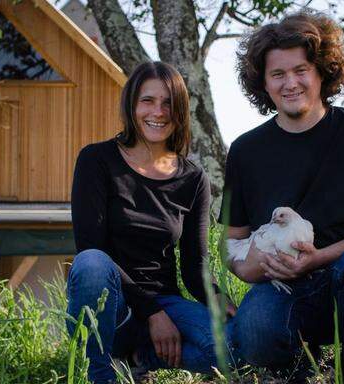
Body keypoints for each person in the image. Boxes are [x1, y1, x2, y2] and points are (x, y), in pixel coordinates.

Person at [221, 12, 344, 383]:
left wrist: (317, 259)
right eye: (278, 74)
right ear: (263, 83)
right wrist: (247, 267)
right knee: (254, 334)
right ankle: (299, 367)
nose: (290, 83)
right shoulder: (245, 151)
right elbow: (231, 242)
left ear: (323, 71)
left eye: (301, 70)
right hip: (284, 284)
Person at [68, 61, 234, 384]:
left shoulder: (194, 179)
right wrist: (151, 314)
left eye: (168, 103)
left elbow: (194, 265)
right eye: (148, 100)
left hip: (165, 300)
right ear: (132, 104)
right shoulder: (96, 160)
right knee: (90, 263)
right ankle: (101, 374)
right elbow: (91, 247)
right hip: (112, 303)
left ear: (180, 111)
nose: (158, 111)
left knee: (232, 345)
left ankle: (138, 357)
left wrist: (220, 300)